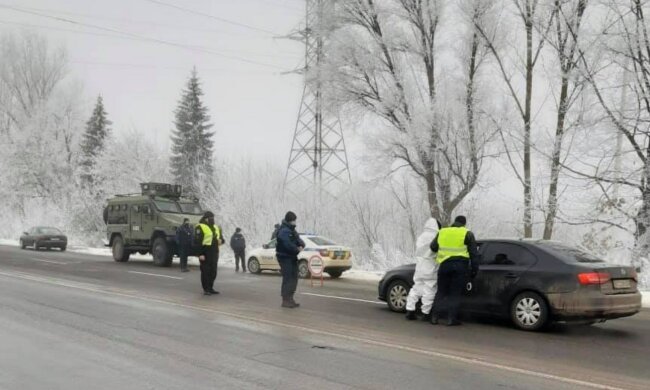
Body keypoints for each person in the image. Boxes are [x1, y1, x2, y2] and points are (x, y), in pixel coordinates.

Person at [429, 215, 479, 326]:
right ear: (464, 224)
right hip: (460, 267)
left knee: (441, 291)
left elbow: (433, 247)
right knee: (454, 293)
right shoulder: (467, 233)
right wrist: (474, 270)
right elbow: (474, 254)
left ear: (454, 222)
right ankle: (451, 319)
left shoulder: (443, 232)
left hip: (444, 265)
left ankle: (434, 317)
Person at [405, 218, 441, 321]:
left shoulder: (421, 236)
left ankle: (410, 310)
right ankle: (426, 313)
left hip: (419, 266)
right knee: (429, 290)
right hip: (430, 266)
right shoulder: (436, 236)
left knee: (416, 288)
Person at [275, 211, 305, 308]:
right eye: (293, 221)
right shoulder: (283, 231)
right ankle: (285, 300)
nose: (295, 222)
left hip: (292, 257)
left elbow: (298, 240)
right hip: (284, 257)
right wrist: (296, 249)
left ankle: (290, 298)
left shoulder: (292, 230)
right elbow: (287, 244)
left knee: (294, 278)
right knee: (288, 278)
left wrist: (301, 244)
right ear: (289, 220)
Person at [194, 211, 224, 296]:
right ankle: (206, 289)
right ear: (206, 218)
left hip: (214, 252)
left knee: (213, 272)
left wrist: (221, 241)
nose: (212, 220)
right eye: (210, 218)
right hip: (205, 253)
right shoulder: (200, 227)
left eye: (213, 218)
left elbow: (221, 239)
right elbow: (197, 242)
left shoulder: (216, 227)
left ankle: (211, 288)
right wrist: (200, 254)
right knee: (205, 272)